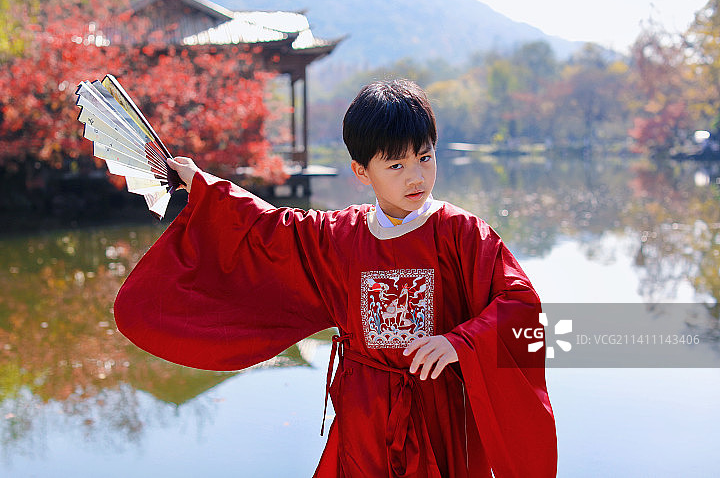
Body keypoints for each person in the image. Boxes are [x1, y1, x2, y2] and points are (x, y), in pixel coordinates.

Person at [114, 79, 558, 477]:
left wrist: (459, 342)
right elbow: (269, 230)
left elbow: (520, 304)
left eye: (425, 157)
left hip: (437, 410)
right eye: (396, 165)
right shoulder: (341, 235)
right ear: (361, 172)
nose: (416, 176)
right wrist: (205, 187)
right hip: (363, 408)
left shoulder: (461, 233)